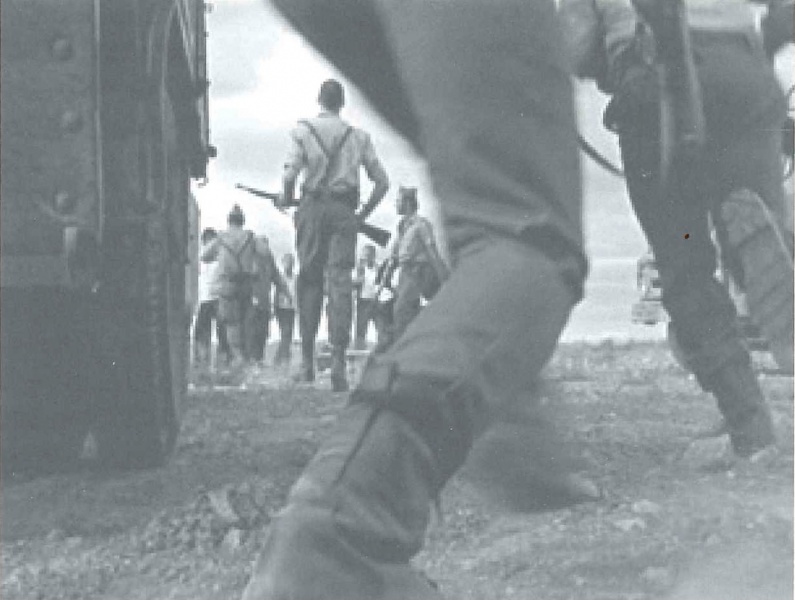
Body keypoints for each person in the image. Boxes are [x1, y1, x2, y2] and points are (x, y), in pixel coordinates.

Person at [241, 2, 599, 599]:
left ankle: (512, 413)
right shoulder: (351, 140)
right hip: (345, 209)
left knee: (478, 166)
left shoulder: (304, 132)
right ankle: (339, 542)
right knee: (525, 229)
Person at [560, 0, 792, 458]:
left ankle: (749, 424)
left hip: (658, 90)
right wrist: (760, 46)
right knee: (760, 235)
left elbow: (576, 44)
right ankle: (762, 252)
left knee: (684, 265)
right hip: (745, 76)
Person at [279, 78, 390, 392]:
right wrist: (362, 216)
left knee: (309, 281)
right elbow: (382, 182)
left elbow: (289, 174)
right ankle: (338, 363)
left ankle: (307, 363)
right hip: (344, 213)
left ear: (319, 100)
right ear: (342, 103)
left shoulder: (302, 131)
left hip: (312, 209)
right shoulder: (359, 137)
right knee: (340, 283)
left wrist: (287, 196)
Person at [201, 205, 270, 367]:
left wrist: (220, 256)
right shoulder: (251, 237)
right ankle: (246, 360)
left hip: (228, 284)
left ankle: (238, 358)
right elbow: (265, 253)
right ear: (242, 221)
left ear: (229, 220)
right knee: (246, 322)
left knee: (231, 323)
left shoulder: (221, 238)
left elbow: (204, 256)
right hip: (246, 284)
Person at [384, 186, 449, 347]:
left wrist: (444, 278)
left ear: (407, 203)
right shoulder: (402, 226)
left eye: (398, 201)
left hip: (418, 272)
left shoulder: (421, 225)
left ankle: (404, 349)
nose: (395, 204)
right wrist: (387, 274)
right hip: (404, 273)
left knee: (402, 311)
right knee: (401, 312)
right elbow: (395, 254)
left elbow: (432, 251)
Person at [248, 236, 292, 366]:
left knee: (263, 331)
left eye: (266, 244)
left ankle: (259, 359)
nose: (265, 247)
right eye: (262, 244)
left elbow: (277, 277)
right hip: (252, 301)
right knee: (252, 332)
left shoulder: (269, 259)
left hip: (264, 302)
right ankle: (252, 360)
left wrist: (287, 293)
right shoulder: (250, 258)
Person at [193, 228, 230, 366]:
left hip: (218, 298)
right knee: (201, 333)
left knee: (222, 332)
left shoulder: (221, 258)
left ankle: (224, 361)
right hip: (205, 299)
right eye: (207, 241)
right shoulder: (201, 258)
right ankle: (202, 361)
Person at [352, 244, 379, 349]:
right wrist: (359, 280)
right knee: (361, 327)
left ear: (373, 256)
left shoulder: (378, 268)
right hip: (363, 301)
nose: (366, 258)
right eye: (364, 255)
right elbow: (353, 282)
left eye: (368, 255)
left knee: (380, 327)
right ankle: (359, 347)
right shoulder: (360, 269)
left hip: (376, 301)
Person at [273, 253, 298, 368]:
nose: (289, 265)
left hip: (291, 308)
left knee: (288, 332)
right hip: (281, 308)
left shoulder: (296, 278)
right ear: (283, 264)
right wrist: (274, 307)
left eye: (291, 263)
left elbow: (297, 293)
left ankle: (280, 356)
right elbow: (276, 293)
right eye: (287, 263)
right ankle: (284, 356)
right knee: (286, 331)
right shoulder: (280, 278)